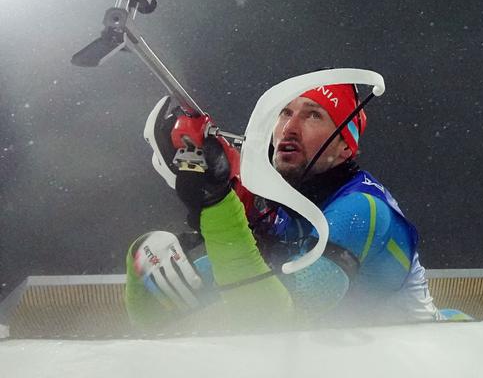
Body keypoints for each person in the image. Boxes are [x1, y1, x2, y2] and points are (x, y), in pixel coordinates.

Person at [125, 78, 448, 331]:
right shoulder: (287, 212)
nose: (289, 128)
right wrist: (142, 257)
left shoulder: (361, 209)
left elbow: (278, 320)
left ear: (345, 147)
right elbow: (152, 316)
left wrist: (218, 205)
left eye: (313, 115)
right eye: (285, 112)